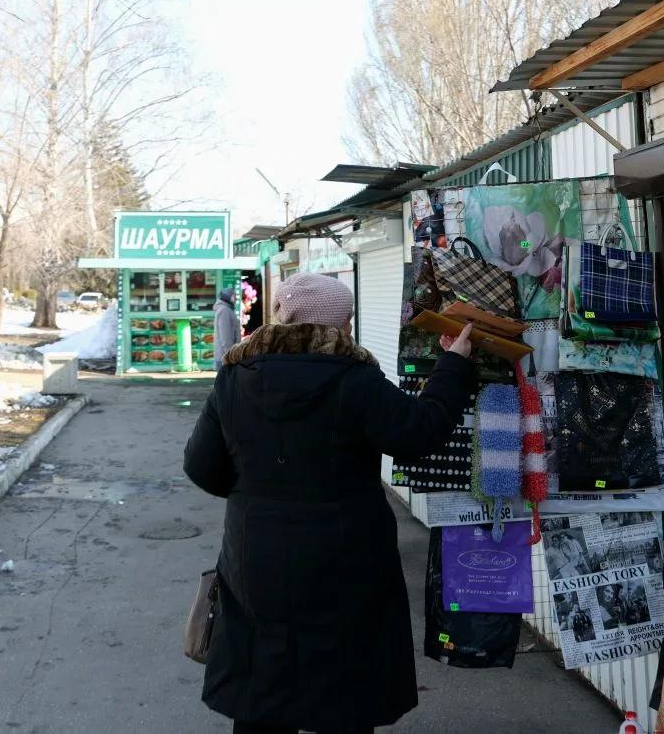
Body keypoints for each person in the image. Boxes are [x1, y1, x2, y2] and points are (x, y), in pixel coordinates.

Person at [183, 271, 475, 734]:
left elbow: (201, 467)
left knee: (262, 686)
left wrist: (259, 497)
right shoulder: (355, 379)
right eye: (348, 319)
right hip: (348, 559)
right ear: (336, 325)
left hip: (256, 558)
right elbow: (418, 432)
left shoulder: (236, 377)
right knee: (344, 689)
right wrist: (454, 365)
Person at [213, 287, 240, 363]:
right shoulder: (224, 311)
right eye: (234, 296)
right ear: (228, 297)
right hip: (225, 359)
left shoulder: (227, 310)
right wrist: (230, 356)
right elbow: (225, 337)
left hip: (225, 357)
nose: (236, 299)